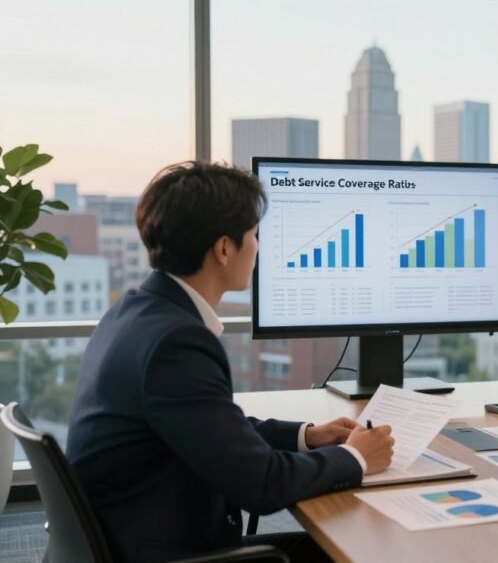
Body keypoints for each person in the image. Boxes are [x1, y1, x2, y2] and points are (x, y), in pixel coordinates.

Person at [67, 161, 395, 562]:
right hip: (171, 553)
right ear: (224, 249)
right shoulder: (176, 343)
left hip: (140, 535)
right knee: (365, 548)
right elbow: (262, 485)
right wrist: (356, 457)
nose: (259, 248)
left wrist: (308, 436)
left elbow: (212, 427)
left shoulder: (135, 312)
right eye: (254, 235)